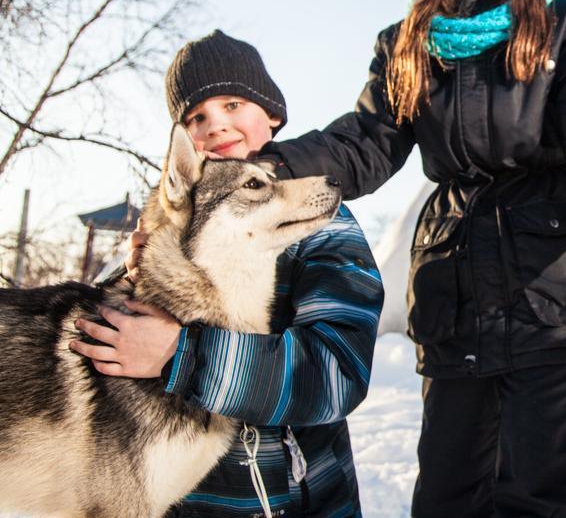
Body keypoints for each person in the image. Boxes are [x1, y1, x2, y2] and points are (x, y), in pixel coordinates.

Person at [258, 0, 566, 517]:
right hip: (453, 302)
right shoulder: (409, 43)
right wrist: (267, 170)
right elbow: (364, 143)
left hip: (553, 295)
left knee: (545, 499)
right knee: (448, 499)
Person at [69, 30, 384, 517]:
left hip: (295, 501)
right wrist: (144, 280)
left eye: (233, 104)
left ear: (272, 115)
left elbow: (337, 373)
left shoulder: (318, 223)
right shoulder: (171, 232)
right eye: (196, 117)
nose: (216, 125)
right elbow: (111, 349)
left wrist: (182, 354)